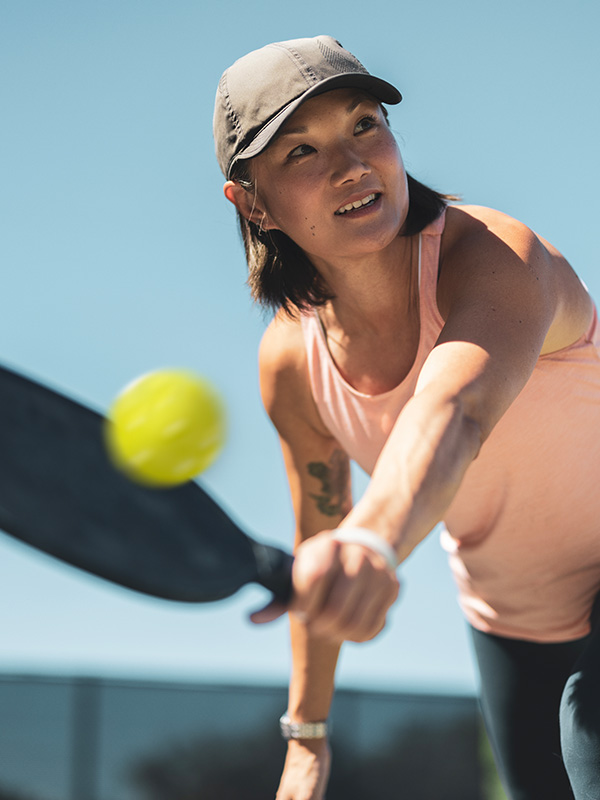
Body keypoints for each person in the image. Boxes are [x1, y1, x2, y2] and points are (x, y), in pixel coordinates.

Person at [213, 35, 600, 800]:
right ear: (251, 202)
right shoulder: (292, 362)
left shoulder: (496, 254)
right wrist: (307, 737)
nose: (353, 165)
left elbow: (454, 410)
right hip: (512, 619)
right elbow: (320, 540)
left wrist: (373, 542)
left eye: (365, 124)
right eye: (301, 152)